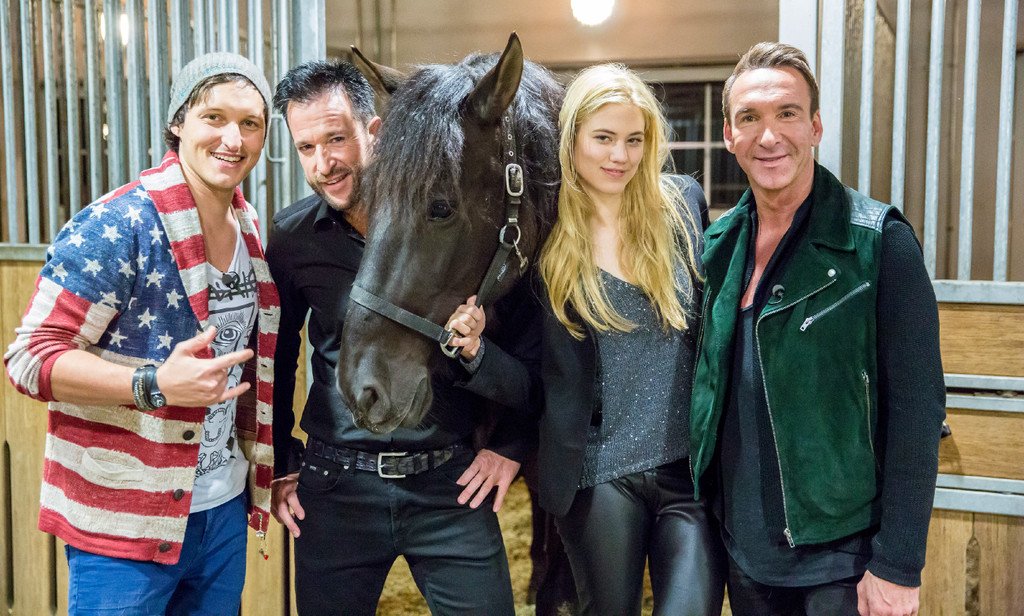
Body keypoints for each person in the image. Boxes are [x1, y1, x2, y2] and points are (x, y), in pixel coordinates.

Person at [4, 52, 278, 615]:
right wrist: (153, 385)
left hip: (222, 506)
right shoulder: (119, 223)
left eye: (250, 123)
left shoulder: (249, 225)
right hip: (124, 519)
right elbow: (29, 358)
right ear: (178, 122)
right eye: (214, 117)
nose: (233, 138)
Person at [453, 63, 726, 616]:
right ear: (572, 138)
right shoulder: (545, 240)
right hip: (597, 476)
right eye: (603, 138)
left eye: (634, 139)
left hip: (689, 475)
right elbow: (538, 384)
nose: (620, 155)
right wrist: (479, 354)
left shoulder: (683, 207)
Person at [266, 59, 536, 616]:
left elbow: (524, 344)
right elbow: (277, 354)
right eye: (306, 148)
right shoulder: (293, 238)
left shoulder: (453, 224)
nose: (323, 164)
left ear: (376, 131)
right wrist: (282, 461)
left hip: (449, 485)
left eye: (336, 139)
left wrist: (510, 446)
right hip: (335, 488)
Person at [689, 42, 946, 616]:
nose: (769, 136)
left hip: (843, 560)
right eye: (749, 118)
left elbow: (918, 409)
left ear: (815, 127)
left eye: (787, 113)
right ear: (729, 135)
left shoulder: (878, 242)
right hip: (745, 553)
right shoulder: (718, 245)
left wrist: (898, 563)